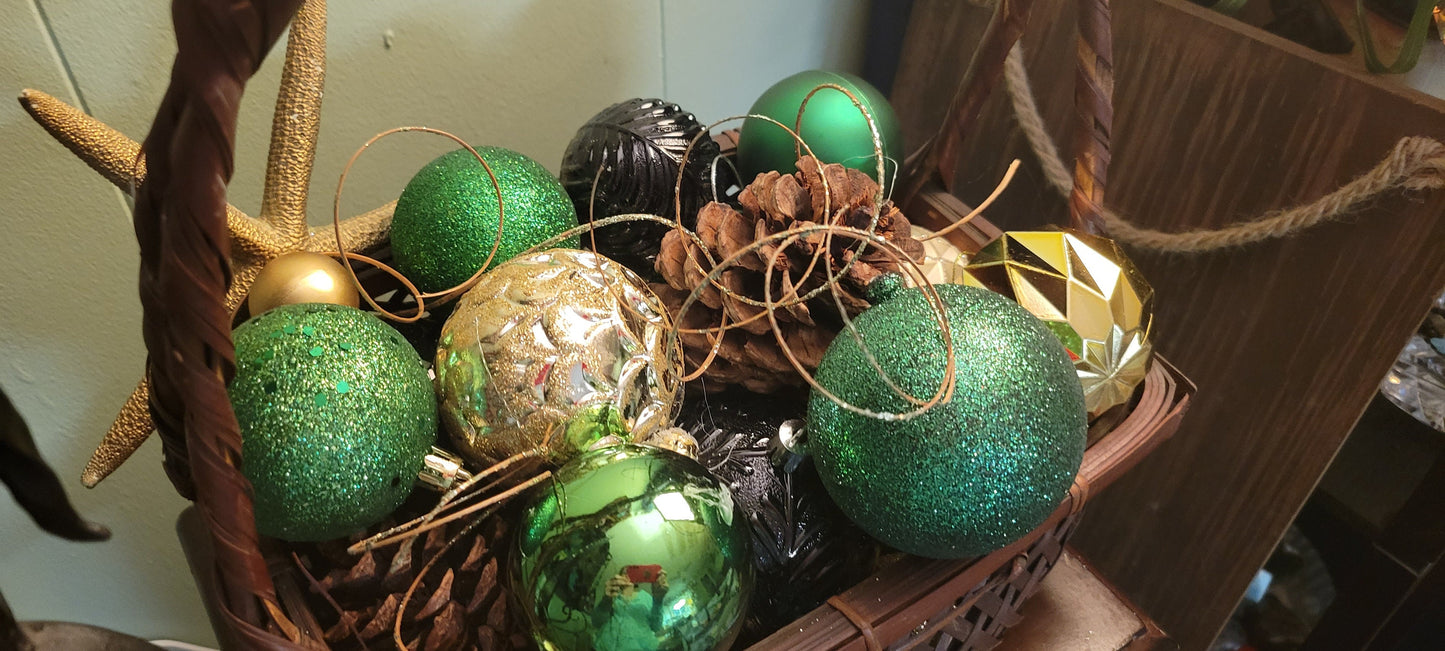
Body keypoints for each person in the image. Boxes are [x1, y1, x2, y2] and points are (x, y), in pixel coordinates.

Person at [591, 568, 670, 651]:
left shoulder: (646, 598)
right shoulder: (611, 596)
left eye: (631, 573)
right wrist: (606, 600)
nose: (627, 575)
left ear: (636, 578)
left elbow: (656, 626)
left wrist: (658, 600)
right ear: (619, 578)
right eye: (624, 573)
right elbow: (596, 622)